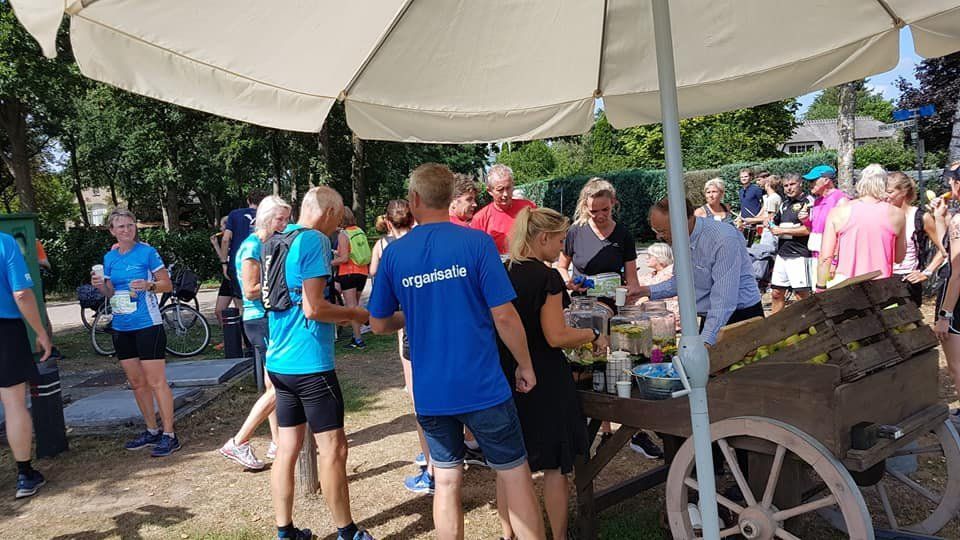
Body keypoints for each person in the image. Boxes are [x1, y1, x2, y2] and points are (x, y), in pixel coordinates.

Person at [369, 163, 546, 540]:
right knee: (515, 473)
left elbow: (380, 323)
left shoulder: (395, 254)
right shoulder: (476, 243)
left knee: (447, 481)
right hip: (483, 385)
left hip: (432, 391)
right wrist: (525, 364)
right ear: (449, 197)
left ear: (414, 200)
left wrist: (415, 309)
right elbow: (504, 316)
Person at [264, 186, 373, 540]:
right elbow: (314, 308)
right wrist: (354, 313)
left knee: (287, 448)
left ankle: (285, 531)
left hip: (279, 361)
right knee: (334, 449)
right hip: (310, 364)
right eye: (338, 218)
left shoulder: (277, 238)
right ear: (328, 212)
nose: (339, 227)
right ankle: (347, 532)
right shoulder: (313, 241)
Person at [494, 207, 600, 540]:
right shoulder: (547, 277)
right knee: (555, 463)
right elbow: (556, 335)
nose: (562, 248)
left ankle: (508, 533)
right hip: (545, 376)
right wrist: (593, 334)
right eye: (560, 240)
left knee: (510, 465)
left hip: (506, 372)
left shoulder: (502, 270)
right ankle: (559, 535)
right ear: (543, 238)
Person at [91, 209, 180, 457]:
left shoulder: (147, 252)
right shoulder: (109, 257)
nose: (126, 230)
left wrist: (150, 285)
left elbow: (167, 285)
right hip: (122, 326)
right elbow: (110, 293)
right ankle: (152, 430)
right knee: (137, 383)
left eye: (130, 225)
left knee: (156, 382)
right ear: (112, 231)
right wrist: (100, 286)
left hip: (147, 324)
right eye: (121, 226)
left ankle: (170, 434)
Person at [219, 196, 290, 470]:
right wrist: (285, 286)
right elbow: (249, 290)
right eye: (280, 219)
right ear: (265, 219)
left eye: (287, 219)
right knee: (281, 384)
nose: (285, 224)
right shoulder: (252, 246)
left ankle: (277, 442)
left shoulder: (269, 243)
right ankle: (239, 440)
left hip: (266, 318)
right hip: (259, 319)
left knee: (273, 385)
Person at [369, 200, 435, 494]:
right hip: (439, 327)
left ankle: (433, 469)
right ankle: (446, 457)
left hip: (411, 328)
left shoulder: (390, 252)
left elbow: (379, 319)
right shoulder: (431, 244)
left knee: (420, 400)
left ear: (388, 222)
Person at [638, 198, 763, 346]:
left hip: (742, 317)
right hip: (712, 316)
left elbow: (724, 300)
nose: (658, 237)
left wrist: (704, 342)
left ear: (684, 221)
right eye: (656, 231)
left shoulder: (723, 238)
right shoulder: (679, 238)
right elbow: (682, 281)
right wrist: (644, 291)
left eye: (663, 231)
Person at [1, 231, 52, 498]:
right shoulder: (5, 242)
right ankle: (24, 474)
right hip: (5, 329)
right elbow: (21, 293)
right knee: (14, 403)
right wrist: (40, 332)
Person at [817, 164, 905, 289]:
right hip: (881, 288)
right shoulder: (897, 214)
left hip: (847, 287)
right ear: (884, 185)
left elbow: (825, 258)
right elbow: (899, 257)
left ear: (860, 183)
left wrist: (820, 287)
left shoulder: (838, 212)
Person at [557, 178, 643, 304]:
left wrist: (629, 292)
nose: (600, 216)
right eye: (594, 211)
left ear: (613, 202)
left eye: (605, 209)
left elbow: (632, 280)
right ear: (585, 207)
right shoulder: (575, 231)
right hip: (582, 304)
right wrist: (568, 282)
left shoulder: (624, 234)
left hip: (614, 304)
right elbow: (561, 267)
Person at [888, 171, 946, 307]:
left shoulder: (921, 217)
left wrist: (927, 272)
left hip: (908, 280)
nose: (885, 196)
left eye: (889, 192)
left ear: (903, 192)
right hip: (883, 278)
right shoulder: (881, 214)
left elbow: (944, 247)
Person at [933, 162, 960, 426]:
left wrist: (945, 315)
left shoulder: (959, 220)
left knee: (957, 365)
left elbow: (957, 271)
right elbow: (947, 251)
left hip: (956, 299)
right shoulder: (954, 219)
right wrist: (941, 219)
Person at [769, 174, 815, 313]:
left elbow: (808, 229)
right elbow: (774, 223)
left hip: (799, 255)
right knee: (776, 293)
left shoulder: (808, 202)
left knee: (801, 295)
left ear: (800, 184)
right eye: (786, 186)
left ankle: (807, 324)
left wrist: (783, 230)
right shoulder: (784, 204)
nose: (789, 188)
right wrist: (769, 223)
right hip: (782, 254)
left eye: (792, 184)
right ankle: (775, 324)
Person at [470, 164, 537, 254]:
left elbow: (543, 237)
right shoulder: (480, 219)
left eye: (508, 188)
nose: (505, 194)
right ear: (490, 191)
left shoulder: (528, 208)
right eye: (500, 189)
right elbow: (475, 251)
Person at [221, 190, 265, 310]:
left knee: (241, 304)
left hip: (237, 262)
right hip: (261, 261)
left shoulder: (235, 214)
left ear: (248, 200)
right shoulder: (266, 216)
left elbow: (225, 239)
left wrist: (224, 263)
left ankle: (243, 320)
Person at [337, 208, 371, 350]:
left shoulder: (343, 234)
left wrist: (329, 262)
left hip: (348, 272)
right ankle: (357, 333)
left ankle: (358, 338)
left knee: (351, 307)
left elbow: (344, 258)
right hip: (362, 272)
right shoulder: (359, 231)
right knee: (355, 305)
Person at [804, 165, 848, 258]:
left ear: (826, 180)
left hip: (831, 257)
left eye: (812, 180)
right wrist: (805, 220)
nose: (810, 184)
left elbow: (845, 231)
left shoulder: (840, 199)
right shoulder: (817, 201)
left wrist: (835, 257)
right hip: (815, 255)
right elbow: (814, 228)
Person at [211, 216, 242, 339]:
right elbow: (223, 259)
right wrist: (215, 245)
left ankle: (242, 341)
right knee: (219, 311)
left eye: (223, 226)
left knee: (239, 310)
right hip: (226, 278)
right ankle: (229, 339)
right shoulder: (224, 243)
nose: (221, 229)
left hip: (235, 277)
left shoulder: (237, 240)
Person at [636, 242, 680, 326]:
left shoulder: (670, 273)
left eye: (650, 256)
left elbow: (656, 291)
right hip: (654, 314)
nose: (646, 258)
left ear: (660, 257)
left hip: (667, 317)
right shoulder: (653, 274)